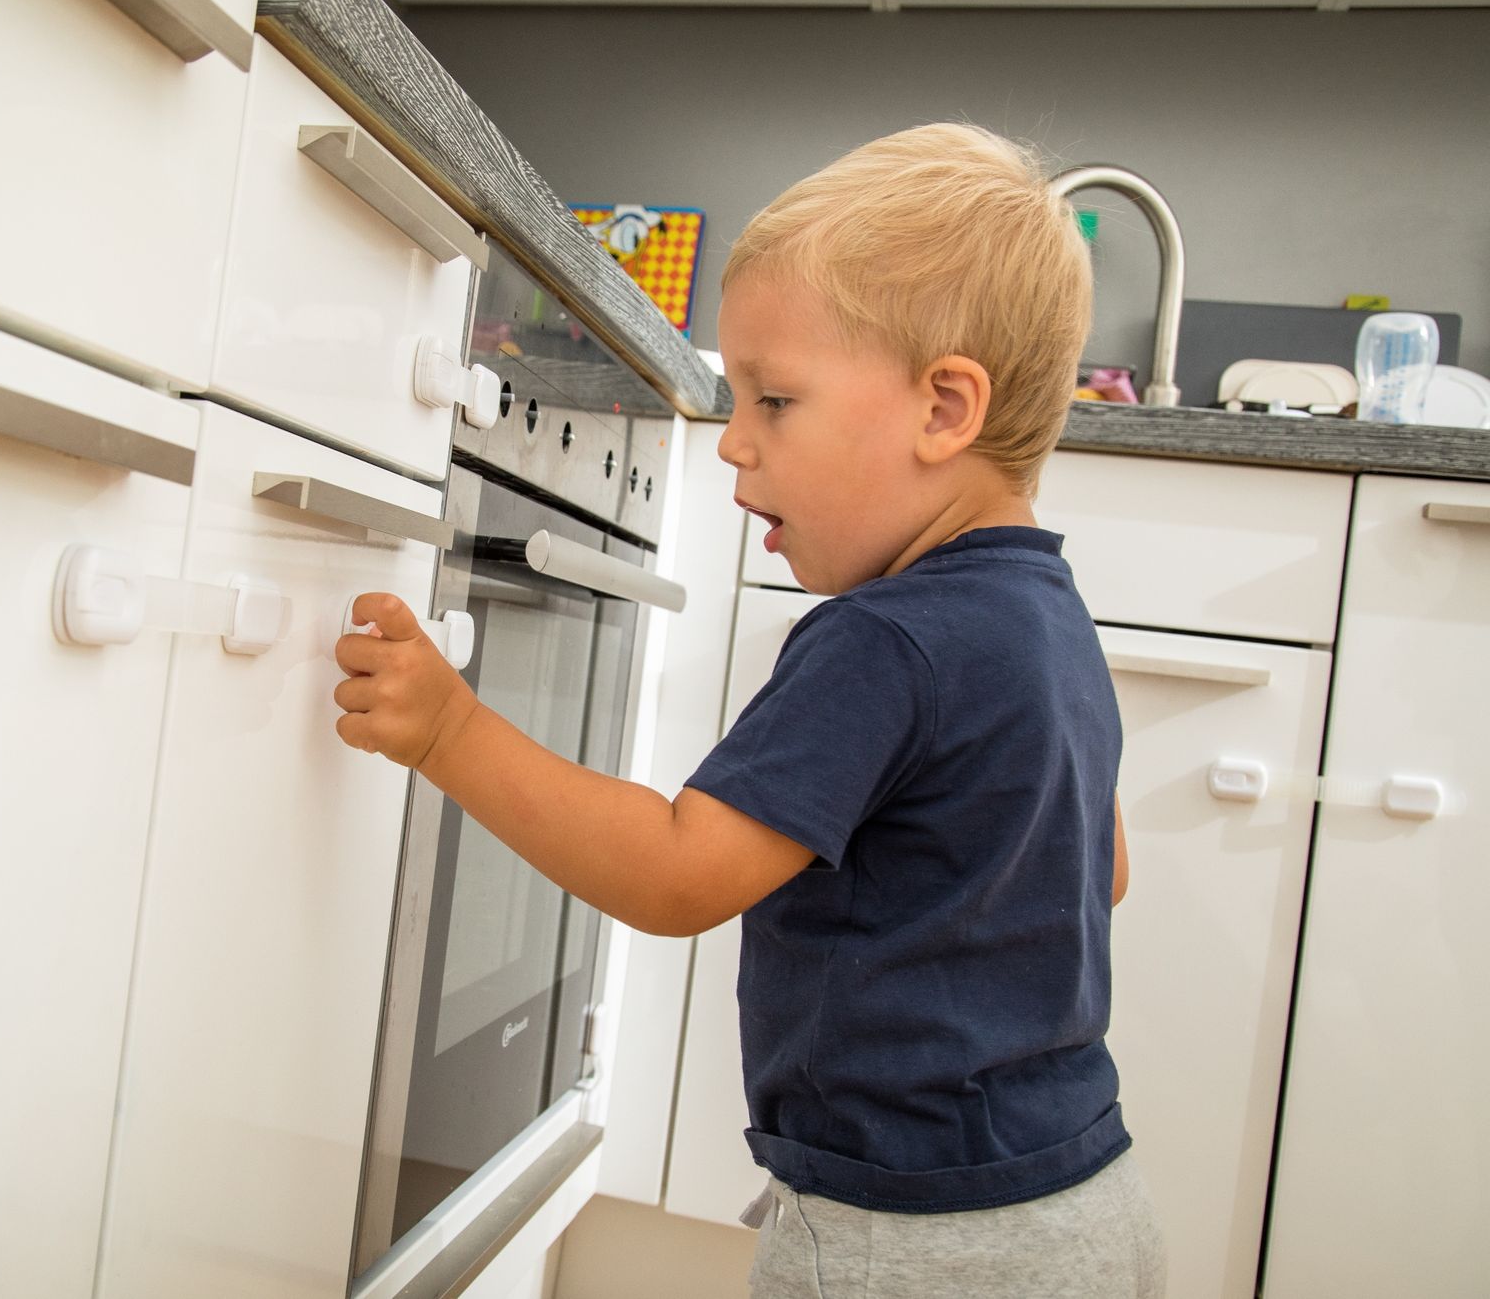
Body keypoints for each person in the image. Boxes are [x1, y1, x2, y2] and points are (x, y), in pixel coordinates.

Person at [330, 122, 1166, 1298]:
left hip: (913, 1240)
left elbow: (678, 874)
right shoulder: (1048, 614)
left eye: (774, 400)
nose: (730, 443)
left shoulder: (883, 638)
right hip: (1080, 1203)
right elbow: (1103, 866)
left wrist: (449, 730)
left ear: (943, 410)